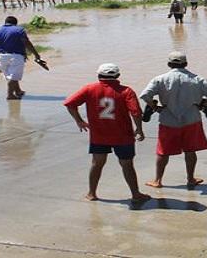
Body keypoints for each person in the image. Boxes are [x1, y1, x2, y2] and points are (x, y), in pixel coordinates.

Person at [63, 63, 151, 205]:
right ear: (117, 76)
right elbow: (135, 112)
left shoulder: (89, 89)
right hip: (122, 136)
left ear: (99, 76)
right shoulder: (126, 91)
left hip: (99, 135)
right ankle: (135, 194)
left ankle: (92, 193)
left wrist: (79, 121)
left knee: (97, 163)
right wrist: (139, 128)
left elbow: (70, 104)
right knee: (127, 164)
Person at [140, 51, 207, 189]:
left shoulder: (160, 79)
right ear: (186, 64)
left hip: (168, 119)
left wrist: (155, 107)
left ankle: (158, 180)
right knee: (190, 151)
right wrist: (205, 104)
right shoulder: (197, 79)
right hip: (191, 118)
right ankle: (190, 179)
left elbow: (145, 95)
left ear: (168, 64)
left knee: (163, 151)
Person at [0, 16, 42, 100]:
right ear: (15, 23)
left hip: (0, 56)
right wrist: (36, 54)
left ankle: (18, 91)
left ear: (5, 22)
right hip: (15, 56)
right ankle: (10, 95)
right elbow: (26, 42)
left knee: (11, 75)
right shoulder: (19, 30)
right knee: (14, 76)